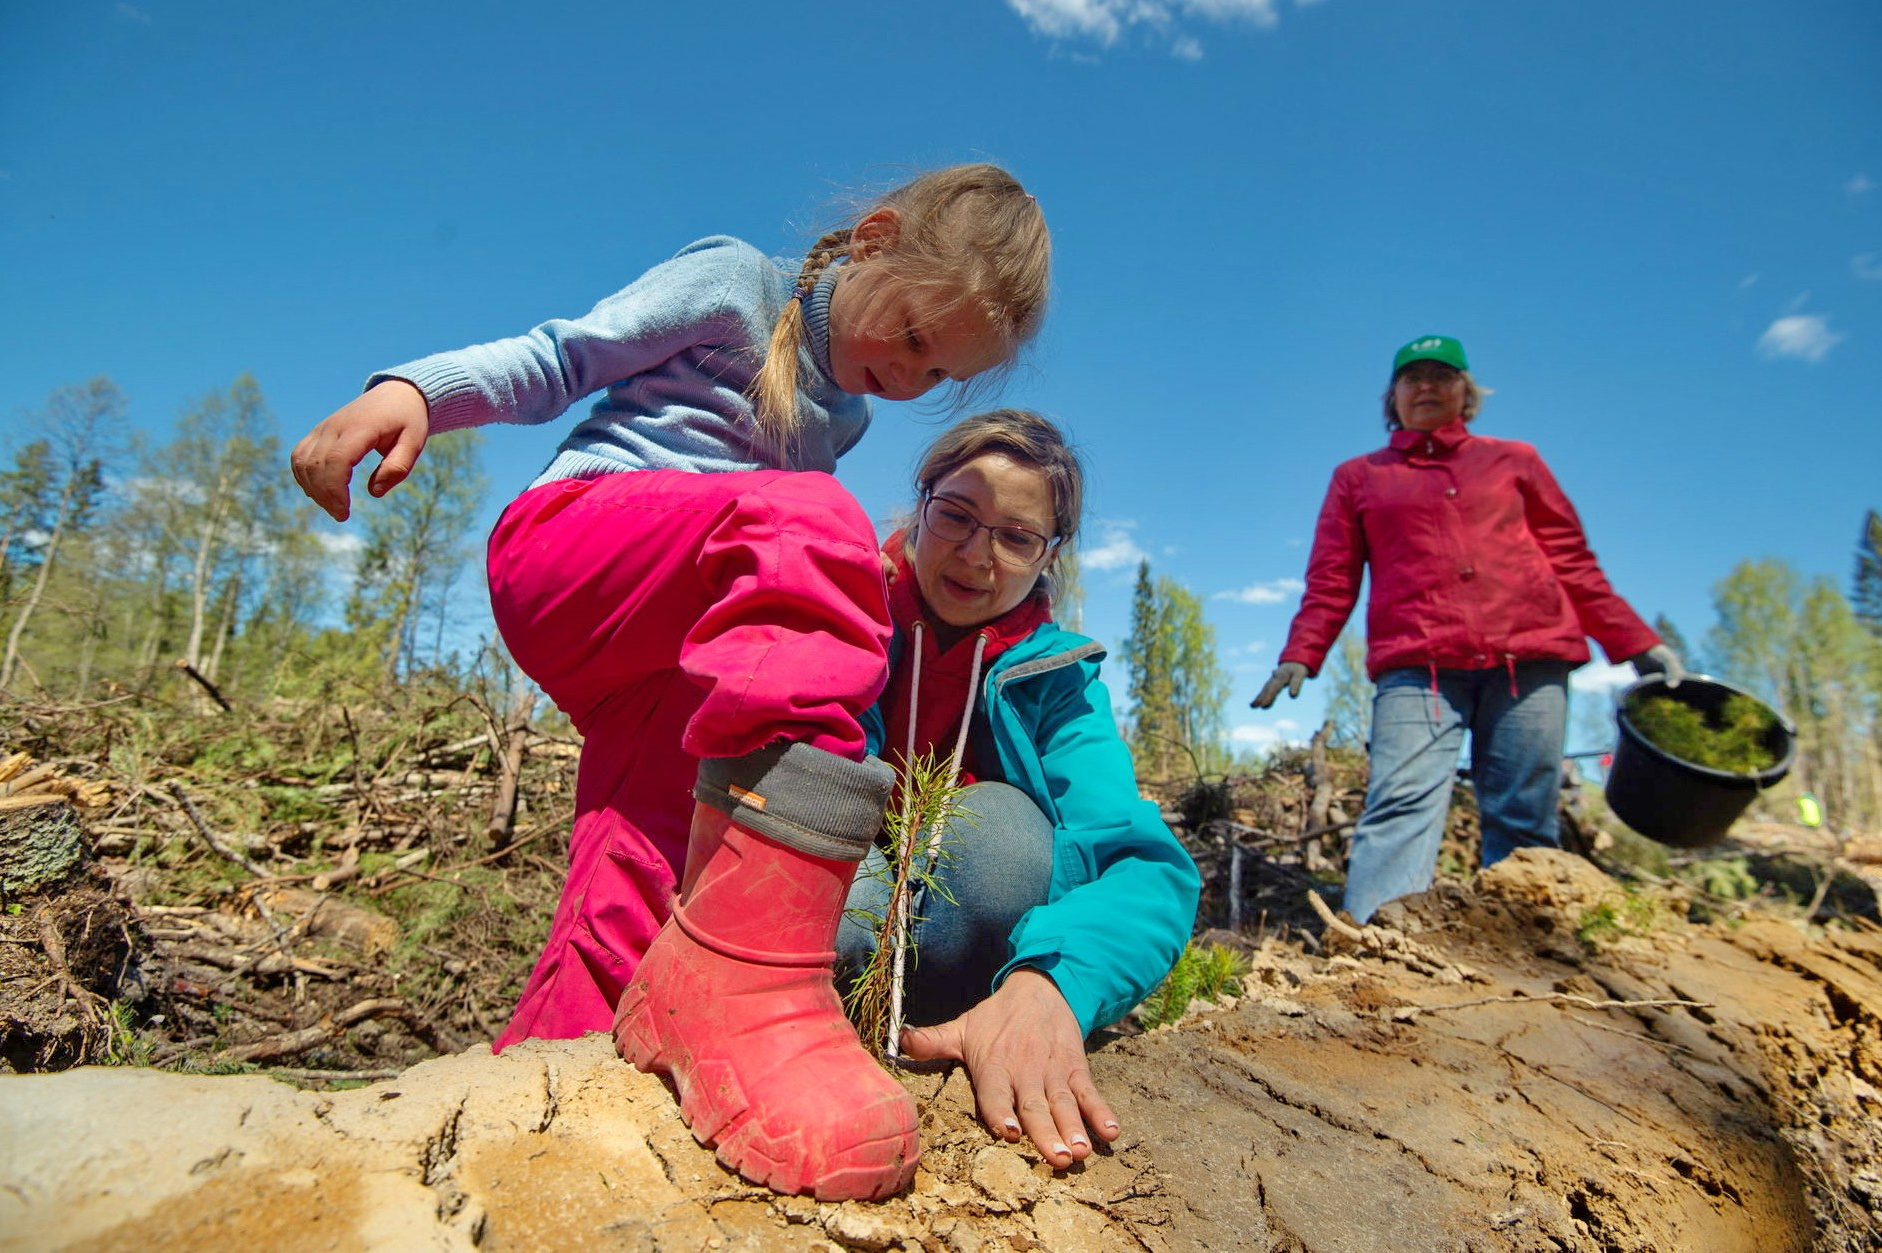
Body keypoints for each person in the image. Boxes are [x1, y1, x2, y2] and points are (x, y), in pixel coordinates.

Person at [289, 164, 1051, 1202]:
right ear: (873, 239)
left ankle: (553, 1098)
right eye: (914, 338)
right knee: (812, 522)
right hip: (571, 553)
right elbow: (559, 356)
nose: (908, 378)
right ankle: (756, 981)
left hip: (670, 652)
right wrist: (413, 390)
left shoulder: (852, 414)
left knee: (639, 882)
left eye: (937, 376)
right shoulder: (735, 284)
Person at [831, 408, 1200, 1172]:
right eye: (957, 515)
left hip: (969, 946)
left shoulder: (1057, 678)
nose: (976, 554)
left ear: (1051, 553)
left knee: (1001, 831)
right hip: (829, 906)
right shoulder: (840, 599)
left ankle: (974, 1016)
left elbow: (1146, 865)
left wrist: (1051, 983)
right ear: (921, 498)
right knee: (834, 911)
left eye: (1016, 536)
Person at [1251, 335, 1682, 924]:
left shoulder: (1516, 460)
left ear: (1467, 393)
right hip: (1417, 667)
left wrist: (1638, 642)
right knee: (1400, 803)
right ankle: (1378, 946)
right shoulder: (1359, 477)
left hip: (1529, 660)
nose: (1426, 386)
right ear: (1393, 397)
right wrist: (1301, 652)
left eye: (1442, 376)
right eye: (1412, 378)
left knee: (1524, 812)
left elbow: (1571, 559)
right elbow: (1332, 577)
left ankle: (1527, 942)